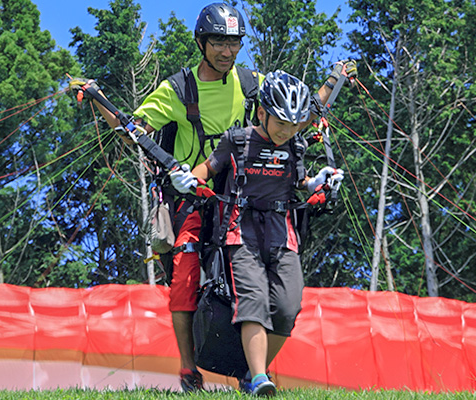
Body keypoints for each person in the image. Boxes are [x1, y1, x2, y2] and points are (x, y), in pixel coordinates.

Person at [89, 2, 356, 392]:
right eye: (218, 42)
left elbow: (297, 110)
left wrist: (334, 79)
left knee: (279, 293)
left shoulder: (252, 83)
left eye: (233, 43)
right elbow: (135, 128)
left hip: (248, 194)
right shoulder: (177, 90)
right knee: (185, 267)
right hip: (195, 193)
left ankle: (252, 370)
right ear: (202, 42)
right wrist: (99, 100)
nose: (227, 51)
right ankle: (187, 368)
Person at [170, 70, 345, 396]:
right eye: (281, 123)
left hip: (282, 235)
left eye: (295, 126)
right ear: (262, 113)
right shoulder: (235, 140)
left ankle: (253, 371)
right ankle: (257, 377)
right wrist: (189, 180)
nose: (288, 132)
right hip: (240, 233)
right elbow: (207, 169)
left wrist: (318, 183)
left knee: (287, 306)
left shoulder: (294, 145)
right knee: (252, 298)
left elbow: (299, 185)